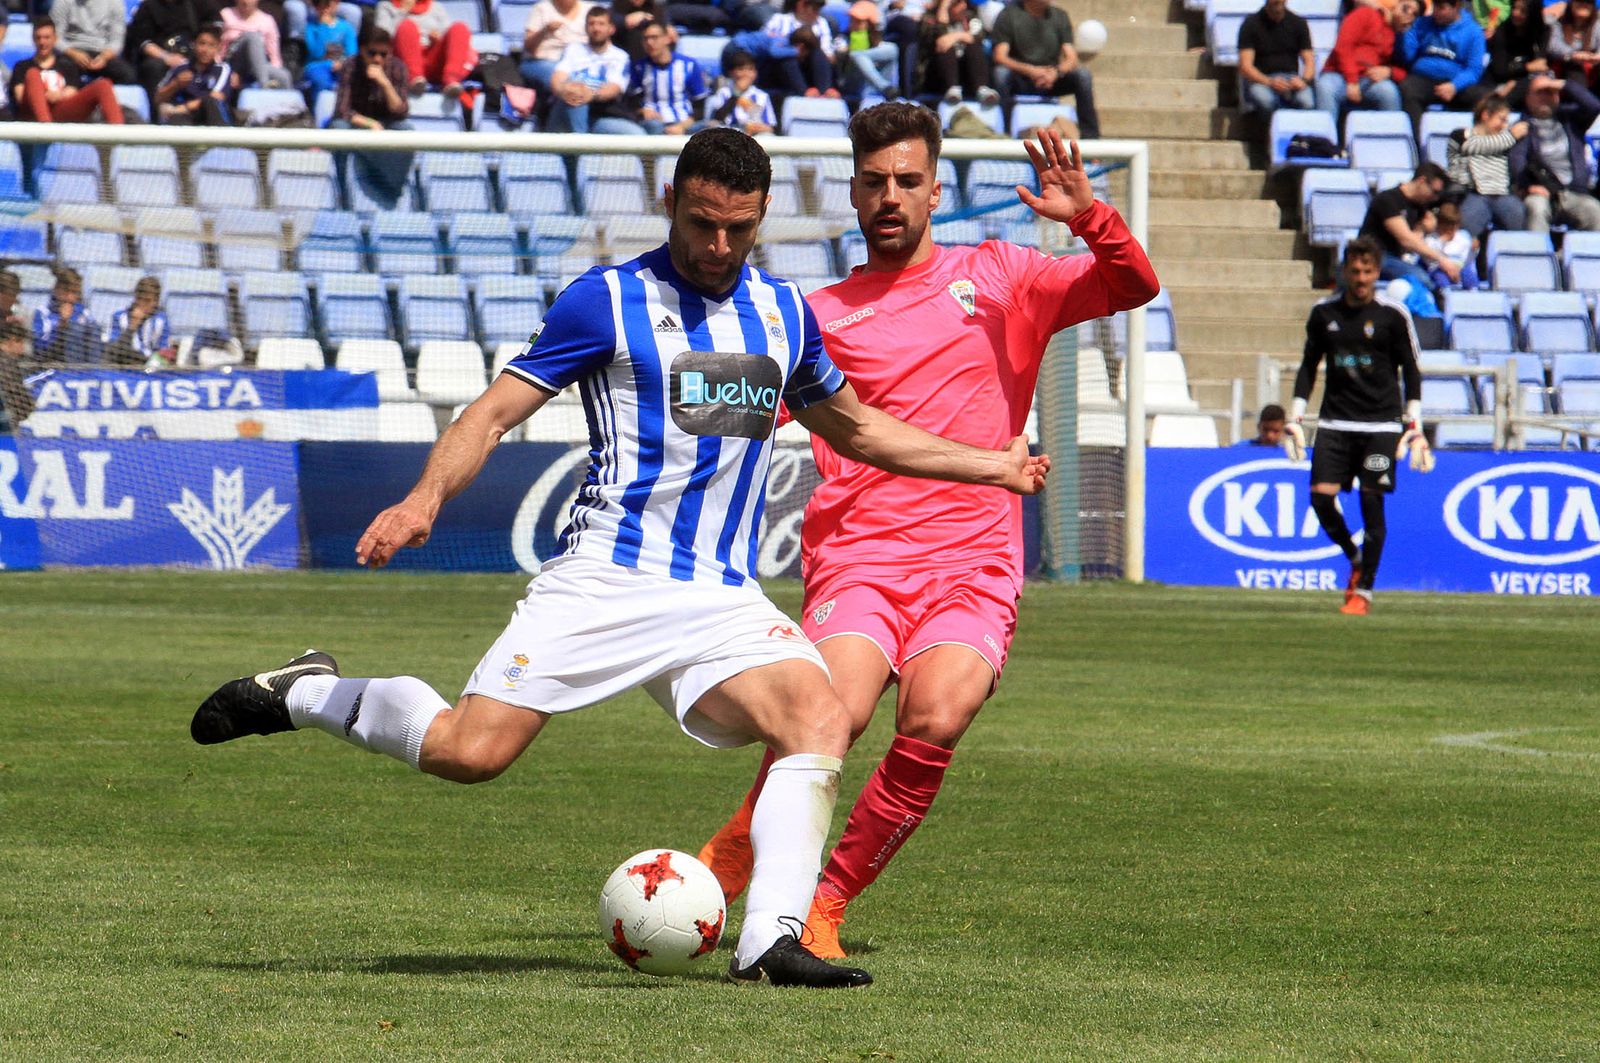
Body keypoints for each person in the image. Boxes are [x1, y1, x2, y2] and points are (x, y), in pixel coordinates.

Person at [188, 126, 1050, 990]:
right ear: (671, 202)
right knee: (469, 751)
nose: (719, 247)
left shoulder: (784, 315)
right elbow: (490, 414)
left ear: (762, 221)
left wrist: (993, 466)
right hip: (605, 578)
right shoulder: (604, 300)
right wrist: (423, 499)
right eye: (704, 223)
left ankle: (771, 943)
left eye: (739, 229)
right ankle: (303, 690)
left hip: (719, 594)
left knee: (818, 717)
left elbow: (859, 429)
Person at [695, 104, 1158, 958]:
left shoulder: (1006, 274)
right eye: (874, 182)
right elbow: (717, 404)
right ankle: (737, 850)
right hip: (860, 553)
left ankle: (824, 903)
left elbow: (1134, 288)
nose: (891, 197)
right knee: (833, 709)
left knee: (937, 715)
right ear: (854, 192)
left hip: (975, 558)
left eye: (908, 181)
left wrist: (1088, 218)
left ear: (937, 189)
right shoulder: (815, 311)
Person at [1289, 235, 1424, 616]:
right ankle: (1354, 556)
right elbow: (1307, 367)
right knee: (1320, 498)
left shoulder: (1392, 315)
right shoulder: (1323, 313)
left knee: (1371, 503)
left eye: (1367, 271)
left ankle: (1363, 591)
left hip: (1381, 425)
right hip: (1335, 422)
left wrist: (1413, 421)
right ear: (1345, 272)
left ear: (1376, 272)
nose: (1361, 277)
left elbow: (1412, 370)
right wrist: (1295, 415)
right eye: (1355, 270)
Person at [330, 28, 415, 209]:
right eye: (372, 53)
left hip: (387, 124)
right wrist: (370, 124)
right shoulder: (350, 67)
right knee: (338, 127)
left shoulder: (398, 67)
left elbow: (401, 112)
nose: (378, 59)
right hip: (358, 124)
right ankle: (342, 192)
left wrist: (384, 83)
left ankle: (393, 189)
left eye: (383, 54)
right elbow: (342, 110)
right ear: (362, 50)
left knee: (407, 130)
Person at [990, 0, 1099, 138]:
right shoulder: (1008, 15)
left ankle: (1091, 139)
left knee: (1083, 75)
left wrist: (1056, 72)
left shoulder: (1060, 16)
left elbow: (1071, 58)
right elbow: (1000, 56)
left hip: (1051, 79)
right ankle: (1005, 133)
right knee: (1001, 73)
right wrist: (1030, 70)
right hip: (1021, 78)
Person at [1510, 73, 1600, 231]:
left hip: (1574, 192)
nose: (1545, 97)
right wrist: (1528, 187)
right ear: (1528, 97)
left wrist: (1564, 84)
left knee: (1594, 210)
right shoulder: (1522, 127)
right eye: (1539, 92)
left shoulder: (1572, 120)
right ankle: (1537, 254)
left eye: (1550, 92)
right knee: (1536, 207)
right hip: (1543, 192)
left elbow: (1594, 106)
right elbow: (1517, 162)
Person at [1314, 0, 1416, 129]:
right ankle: (1324, 143)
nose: (1409, 15)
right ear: (1395, 6)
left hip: (1368, 79)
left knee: (1388, 92)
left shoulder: (1403, 38)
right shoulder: (1366, 14)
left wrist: (1390, 72)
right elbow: (1343, 46)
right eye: (1406, 8)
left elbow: (1408, 70)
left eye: (1415, 14)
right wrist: (1352, 80)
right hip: (1339, 74)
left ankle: (1389, 142)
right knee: (1325, 86)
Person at [1356, 161, 1455, 293]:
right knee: (1422, 280)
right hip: (1373, 256)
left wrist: (1423, 229)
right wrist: (1441, 259)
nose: (1434, 198)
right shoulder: (1388, 199)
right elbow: (1406, 239)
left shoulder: (1419, 207)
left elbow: (1411, 242)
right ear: (1421, 181)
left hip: (1397, 258)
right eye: (1434, 192)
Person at [9, 16, 125, 124]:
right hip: (31, 114)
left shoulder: (66, 65)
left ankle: (118, 134)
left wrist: (58, 96)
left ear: (55, 39)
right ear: (33, 40)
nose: (42, 42)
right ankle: (45, 128)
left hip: (60, 111)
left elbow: (72, 91)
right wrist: (45, 96)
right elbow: (20, 96)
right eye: (38, 38)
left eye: (47, 38)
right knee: (33, 74)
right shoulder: (22, 66)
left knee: (103, 85)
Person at [1397, 0, 1488, 135]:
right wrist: (1405, 32)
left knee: (1482, 97)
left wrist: (1454, 86)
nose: (1436, 13)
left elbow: (1474, 70)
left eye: (1442, 8)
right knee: (1408, 89)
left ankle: (1468, 141)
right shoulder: (1421, 24)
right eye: (1435, 7)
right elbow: (1407, 56)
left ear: (1456, 6)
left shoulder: (1473, 31)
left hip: (1456, 83)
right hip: (1424, 78)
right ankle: (1419, 144)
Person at [547, 5, 641, 134]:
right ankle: (582, 146)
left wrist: (590, 94)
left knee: (637, 135)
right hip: (566, 111)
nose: (596, 28)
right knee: (575, 90)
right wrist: (564, 90)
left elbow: (614, 88)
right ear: (586, 28)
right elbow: (557, 78)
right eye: (591, 24)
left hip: (601, 116)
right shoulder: (573, 49)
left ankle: (582, 144)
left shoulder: (620, 57)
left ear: (611, 29)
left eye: (601, 24)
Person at [1448, 93, 1529, 238]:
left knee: (1518, 218)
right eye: (1501, 119)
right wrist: (1511, 137)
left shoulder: (1505, 140)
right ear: (1486, 115)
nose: (1505, 126)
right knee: (1466, 232)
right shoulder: (1460, 135)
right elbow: (1472, 146)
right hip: (1470, 195)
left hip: (1502, 195)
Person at [373, 0, 476, 99]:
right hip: (404, 58)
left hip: (433, 57)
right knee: (407, 26)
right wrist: (403, 12)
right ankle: (415, 80)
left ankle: (451, 81)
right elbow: (382, 37)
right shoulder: (385, 6)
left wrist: (438, 38)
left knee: (460, 28)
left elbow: (449, 35)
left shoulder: (436, 7)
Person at [1236, 0, 1315, 117]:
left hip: (1291, 78)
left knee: (1307, 101)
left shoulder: (1299, 23)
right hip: (1262, 80)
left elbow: (1309, 61)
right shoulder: (1251, 24)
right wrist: (1269, 82)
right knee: (1265, 100)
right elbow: (1245, 67)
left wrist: (1303, 80)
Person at [629, 19, 707, 135]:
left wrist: (681, 127)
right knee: (652, 126)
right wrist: (642, 111)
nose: (649, 43)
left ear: (667, 39)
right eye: (646, 38)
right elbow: (632, 103)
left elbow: (700, 107)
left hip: (685, 124)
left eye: (654, 37)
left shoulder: (689, 65)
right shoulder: (639, 68)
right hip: (654, 125)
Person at [917, 0, 997, 106]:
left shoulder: (969, 17)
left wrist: (956, 36)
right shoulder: (928, 19)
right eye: (958, 3)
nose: (964, 6)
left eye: (964, 2)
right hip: (936, 74)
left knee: (973, 46)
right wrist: (943, 14)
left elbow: (978, 36)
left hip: (967, 73)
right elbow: (940, 43)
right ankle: (952, 89)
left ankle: (982, 89)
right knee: (946, 49)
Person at [157, 24, 238, 125]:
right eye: (202, 43)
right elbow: (158, 98)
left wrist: (183, 108)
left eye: (211, 45)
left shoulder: (222, 69)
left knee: (211, 103)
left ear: (218, 48)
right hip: (185, 117)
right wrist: (176, 84)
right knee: (175, 119)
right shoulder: (181, 68)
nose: (205, 50)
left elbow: (216, 97)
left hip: (210, 116)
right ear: (194, 44)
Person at [762, 0, 840, 96]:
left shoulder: (821, 23)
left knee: (817, 54)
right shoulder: (779, 20)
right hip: (782, 69)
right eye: (815, 8)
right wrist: (794, 51)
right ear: (801, 5)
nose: (817, 12)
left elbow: (828, 54)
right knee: (787, 58)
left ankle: (824, 92)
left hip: (809, 69)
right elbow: (766, 45)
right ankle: (803, 92)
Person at [51, 0, 136, 85]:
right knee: (63, 67)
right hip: (72, 50)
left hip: (102, 52)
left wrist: (104, 57)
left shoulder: (115, 2)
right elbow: (54, 37)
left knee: (129, 76)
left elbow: (117, 40)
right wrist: (73, 53)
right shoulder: (63, 2)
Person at [519, 0, 593, 96]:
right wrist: (545, 31)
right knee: (567, 82)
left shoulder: (590, 9)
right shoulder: (541, 8)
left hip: (580, 61)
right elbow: (528, 47)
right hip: (543, 61)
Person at [32, 265, 101, 365]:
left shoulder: (83, 312)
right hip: (52, 361)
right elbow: (40, 346)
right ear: (56, 290)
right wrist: (62, 325)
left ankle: (95, 373)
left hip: (83, 360)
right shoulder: (43, 312)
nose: (70, 297)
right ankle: (73, 373)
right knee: (74, 329)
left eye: (75, 293)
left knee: (94, 329)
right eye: (66, 291)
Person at [102, 275, 175, 368]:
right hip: (124, 366)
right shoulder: (119, 317)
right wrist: (131, 327)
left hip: (151, 369)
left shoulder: (162, 320)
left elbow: (164, 352)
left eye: (149, 301)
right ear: (136, 298)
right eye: (141, 299)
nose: (153, 304)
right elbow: (113, 352)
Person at [220, 0, 292, 89]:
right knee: (253, 37)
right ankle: (264, 85)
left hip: (257, 63)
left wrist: (276, 68)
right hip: (233, 60)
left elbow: (274, 55)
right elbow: (218, 45)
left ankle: (287, 102)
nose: (246, 2)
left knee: (283, 75)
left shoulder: (267, 20)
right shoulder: (225, 14)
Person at [705, 48, 775, 134]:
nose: (746, 74)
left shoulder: (762, 96)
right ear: (731, 72)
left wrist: (759, 128)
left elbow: (770, 127)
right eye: (741, 69)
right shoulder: (723, 93)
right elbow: (716, 120)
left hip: (755, 137)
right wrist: (737, 92)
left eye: (750, 69)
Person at [841, 0, 900, 99]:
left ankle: (886, 89)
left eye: (858, 22)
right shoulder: (843, 40)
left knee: (856, 55)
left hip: (880, 97)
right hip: (853, 94)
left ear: (871, 24)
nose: (852, 25)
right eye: (851, 20)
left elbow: (857, 55)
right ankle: (885, 87)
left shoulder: (888, 48)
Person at [302, 0, 359, 97]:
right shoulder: (311, 28)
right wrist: (323, 27)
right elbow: (316, 53)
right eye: (318, 5)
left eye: (327, 4)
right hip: (317, 66)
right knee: (321, 81)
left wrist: (342, 64)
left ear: (336, 4)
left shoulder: (346, 28)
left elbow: (352, 54)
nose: (323, 9)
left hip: (342, 67)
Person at [1422, 199, 1479, 289]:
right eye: (1446, 229)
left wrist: (1474, 250)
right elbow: (1429, 258)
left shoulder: (1463, 236)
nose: (1450, 232)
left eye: (1453, 228)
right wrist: (1442, 241)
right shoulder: (1431, 239)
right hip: (1439, 268)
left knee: (1469, 274)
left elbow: (1468, 258)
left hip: (1459, 265)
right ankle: (1445, 294)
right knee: (1440, 278)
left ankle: (1473, 291)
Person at [0, 320, 37, 428]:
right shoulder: (7, 364)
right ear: (11, 340)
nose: (22, 348)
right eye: (21, 342)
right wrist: (30, 405)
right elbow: (20, 400)